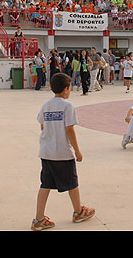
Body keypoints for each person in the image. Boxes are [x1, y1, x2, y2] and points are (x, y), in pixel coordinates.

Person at [31, 72, 95, 231]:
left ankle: (38, 219)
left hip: (46, 152)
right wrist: (77, 151)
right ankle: (78, 212)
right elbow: (69, 130)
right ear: (66, 89)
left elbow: (42, 125)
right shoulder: (68, 106)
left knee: (45, 184)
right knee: (72, 183)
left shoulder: (46, 105)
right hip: (62, 153)